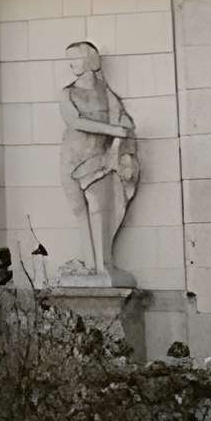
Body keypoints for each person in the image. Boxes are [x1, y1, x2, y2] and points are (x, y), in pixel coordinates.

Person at [58, 40, 140, 283]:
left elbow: (123, 120)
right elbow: (75, 121)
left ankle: (103, 266)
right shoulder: (67, 93)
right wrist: (112, 130)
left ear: (89, 61)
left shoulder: (106, 93)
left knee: (98, 208)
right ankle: (90, 264)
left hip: (99, 158)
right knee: (79, 210)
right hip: (72, 159)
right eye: (69, 59)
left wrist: (123, 147)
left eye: (76, 58)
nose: (71, 64)